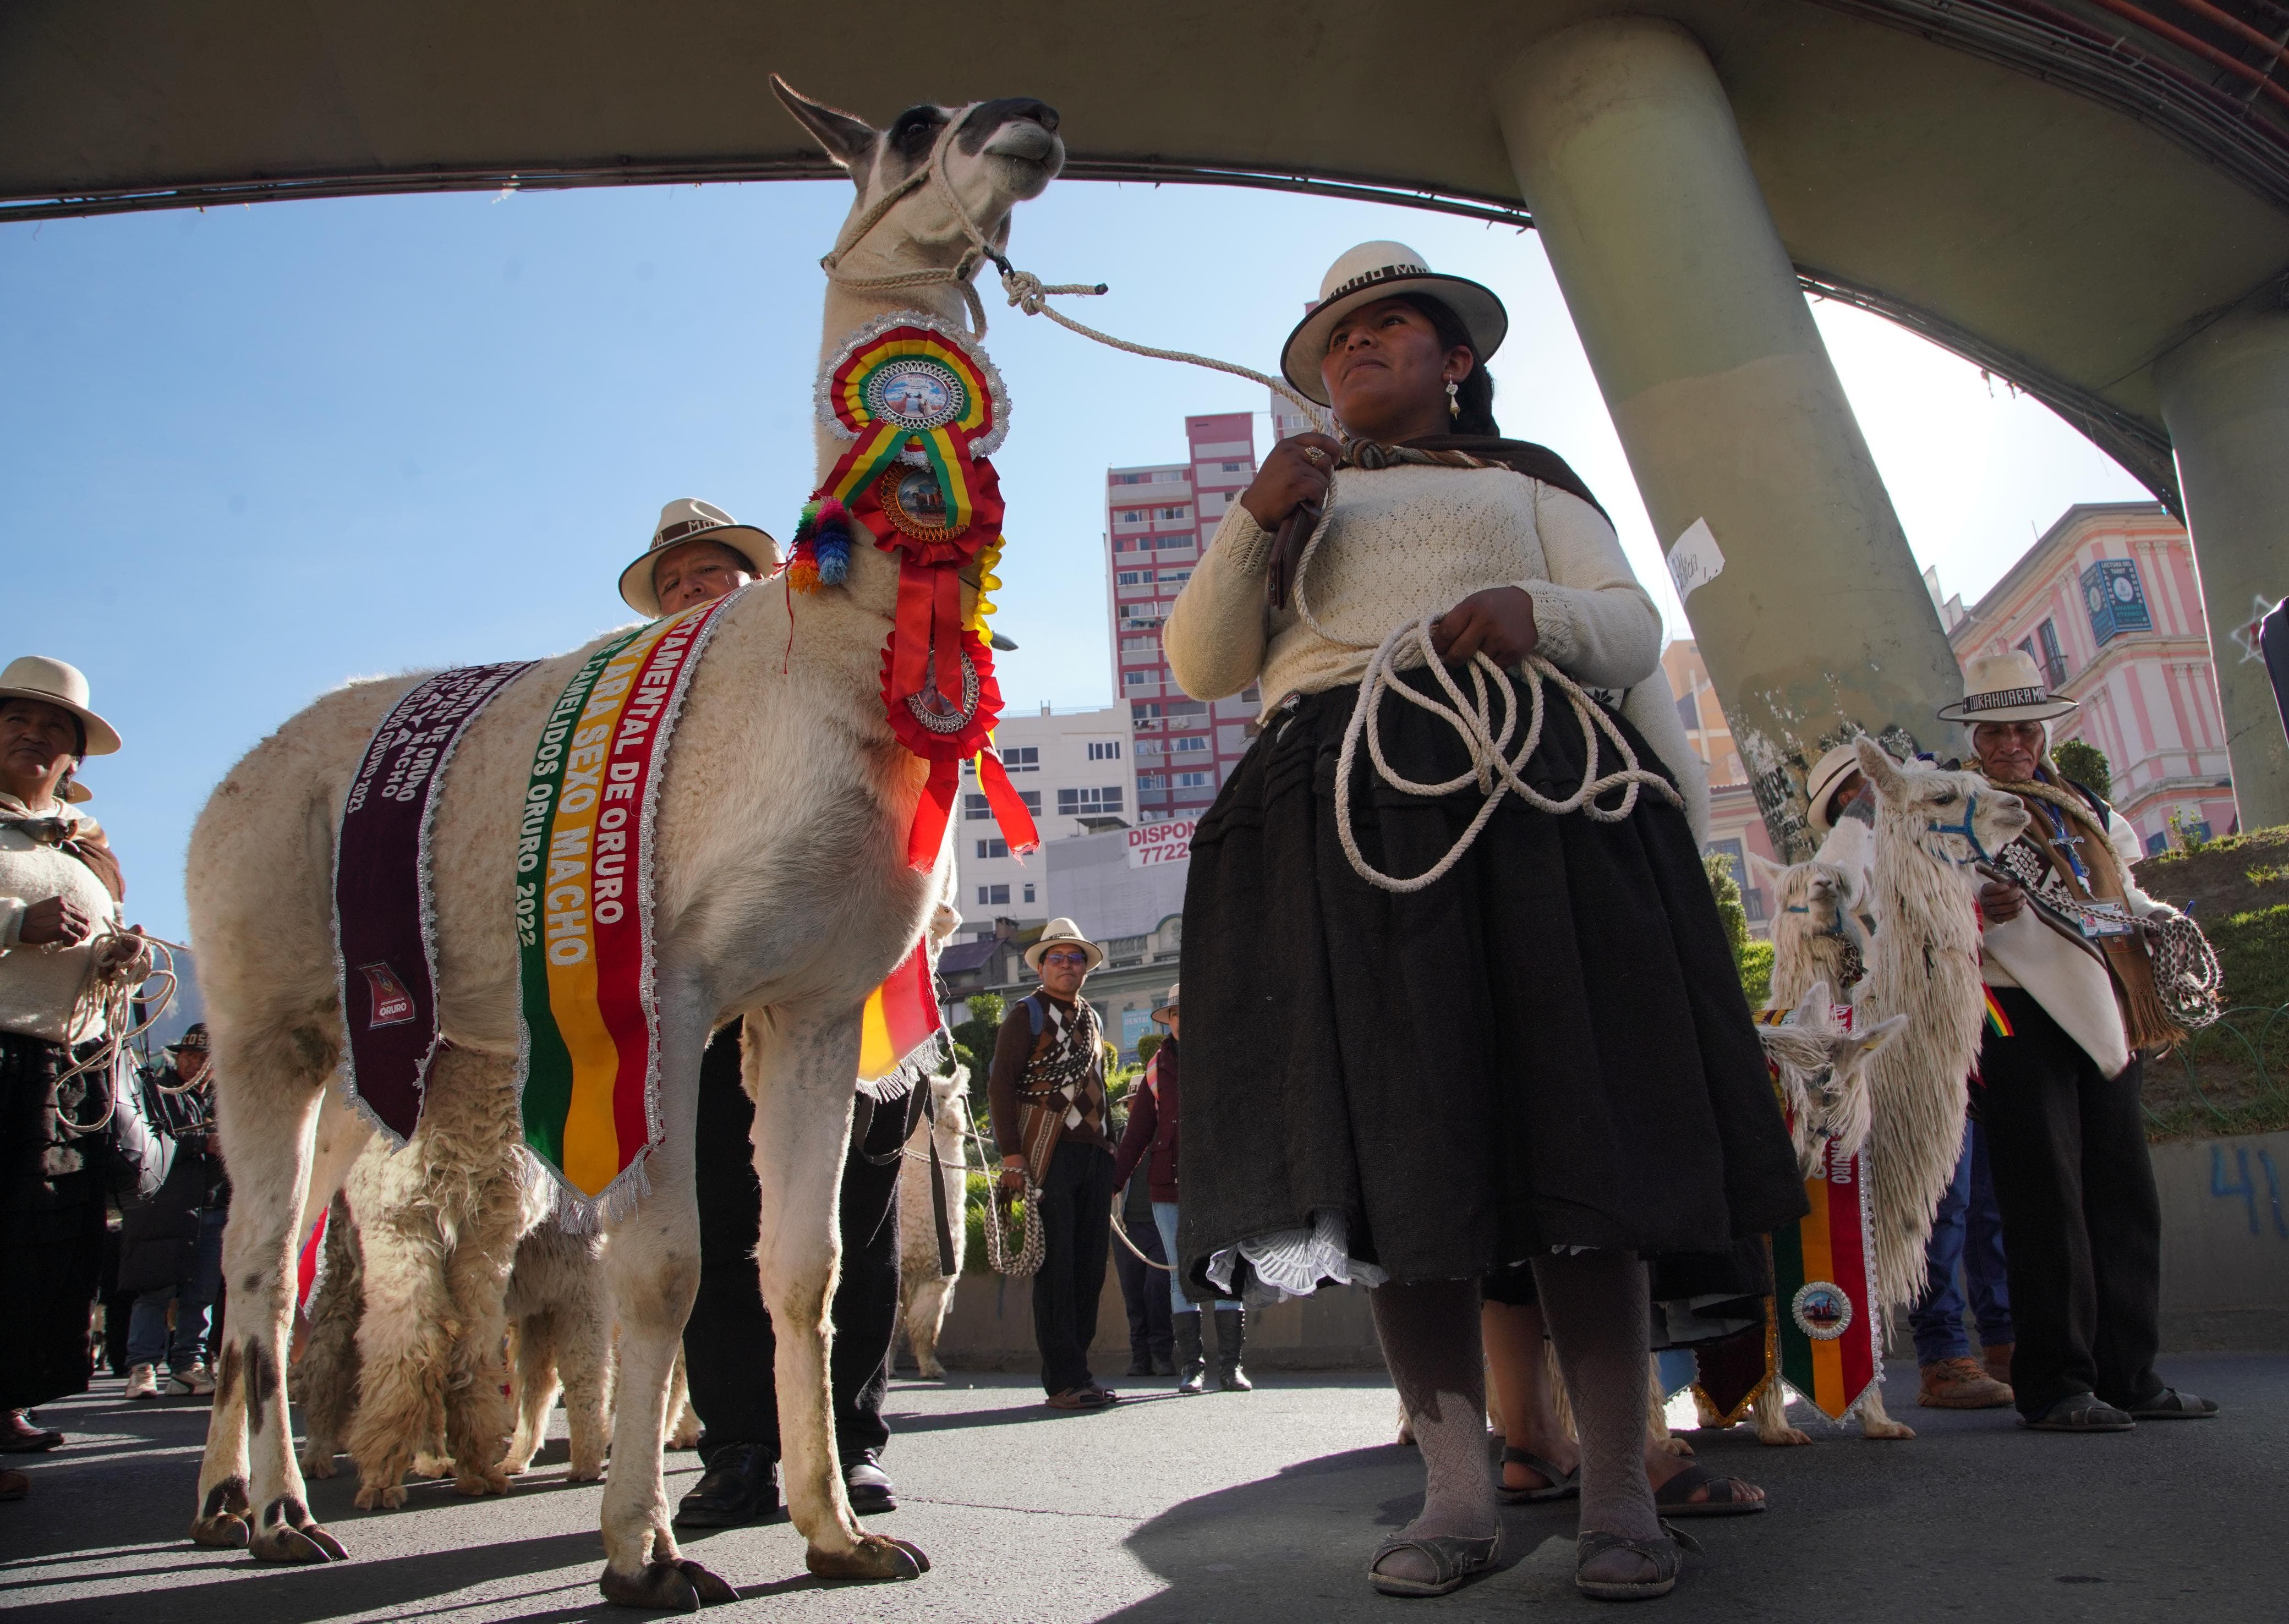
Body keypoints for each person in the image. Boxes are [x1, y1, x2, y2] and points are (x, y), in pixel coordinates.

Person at [1163, 243, 1805, 1600]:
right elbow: (1206, 663)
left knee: (1587, 1135)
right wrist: (1250, 523)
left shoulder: (1532, 484)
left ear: (1456, 361)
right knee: (1402, 1151)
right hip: (1339, 814)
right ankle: (1456, 1489)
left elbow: (1629, 625)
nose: (1356, 350)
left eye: (1390, 326)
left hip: (1537, 798)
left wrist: (1539, 614)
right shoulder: (1294, 504)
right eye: (1337, 340)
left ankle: (1622, 1493)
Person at [603, 498, 912, 1524]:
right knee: (717, 1219)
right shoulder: (622, 720)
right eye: (677, 583)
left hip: (846, 988)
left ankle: (849, 1442)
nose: (695, 592)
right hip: (696, 1003)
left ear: (763, 580)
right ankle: (739, 1447)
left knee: (847, 1227)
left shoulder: (826, 663)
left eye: (714, 575)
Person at [1950, 650, 2216, 1431]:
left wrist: (2161, 921)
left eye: (2024, 729)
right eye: (1996, 732)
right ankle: (2057, 1382)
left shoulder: (2084, 806)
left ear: (2043, 731)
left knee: (2124, 1195)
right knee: (2046, 1205)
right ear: (1976, 737)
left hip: (2104, 1014)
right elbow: (1927, 905)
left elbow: (2121, 891)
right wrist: (1980, 913)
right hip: (2017, 1019)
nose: (2011, 745)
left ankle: (2130, 1374)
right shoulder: (1955, 809)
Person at [1, 656, 145, 1501]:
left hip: (64, 1068)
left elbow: (98, 958)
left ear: (74, 760)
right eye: (19, 719)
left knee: (39, 1241)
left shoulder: (87, 850)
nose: (36, 735)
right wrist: (19, 920)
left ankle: (7, 1399)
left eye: (55, 727)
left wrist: (120, 959)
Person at [986, 919, 1118, 1412]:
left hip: (1095, 1154)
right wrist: (1013, 1156)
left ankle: (1079, 1371)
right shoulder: (1027, 1015)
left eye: (1076, 958)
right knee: (1058, 1267)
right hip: (1049, 1152)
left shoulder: (1092, 1019)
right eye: (1057, 958)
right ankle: (1063, 1380)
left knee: (1089, 1269)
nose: (1067, 965)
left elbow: (1101, 1091)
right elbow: (1000, 1086)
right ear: (1042, 967)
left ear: (1086, 967)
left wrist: (1113, 1152)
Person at [1110, 984, 1248, 1395]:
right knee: (1178, 1277)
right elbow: (1137, 1133)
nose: (1182, 1021)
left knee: (1228, 1272)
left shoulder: (1228, 1060)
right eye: (1176, 1014)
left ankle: (1231, 1367)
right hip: (1167, 1185)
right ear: (1169, 1022)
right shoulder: (1155, 1068)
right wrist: (1113, 1184)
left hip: (1221, 1185)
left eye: (1189, 1012)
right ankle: (1191, 1366)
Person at [119, 1023, 228, 1399]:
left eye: (204, 1058)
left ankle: (188, 1366)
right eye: (190, 1056)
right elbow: (144, 1140)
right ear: (178, 1056)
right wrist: (203, 1143)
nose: (196, 1064)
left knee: (201, 1294)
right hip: (162, 1208)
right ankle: (143, 1367)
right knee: (155, 1290)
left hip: (211, 1207)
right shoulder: (154, 1089)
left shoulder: (225, 1096)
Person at [1908, 1116, 2014, 1408]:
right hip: (1932, 1072)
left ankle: (2003, 1343)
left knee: (1994, 1200)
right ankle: (1941, 1352)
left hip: (1993, 1072)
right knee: (1945, 1197)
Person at [1111, 1132, 1174, 1381]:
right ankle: (1140, 1357)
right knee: (1133, 1296)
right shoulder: (1120, 1139)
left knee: (1158, 1290)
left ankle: (1162, 1354)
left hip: (1161, 1226)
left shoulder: (1169, 1135)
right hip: (1126, 1228)